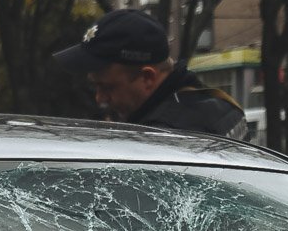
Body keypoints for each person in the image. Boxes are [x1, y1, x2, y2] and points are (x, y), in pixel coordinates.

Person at [53, 9, 247, 139]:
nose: (100, 98)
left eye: (107, 87)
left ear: (147, 77)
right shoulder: (213, 104)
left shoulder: (165, 138)